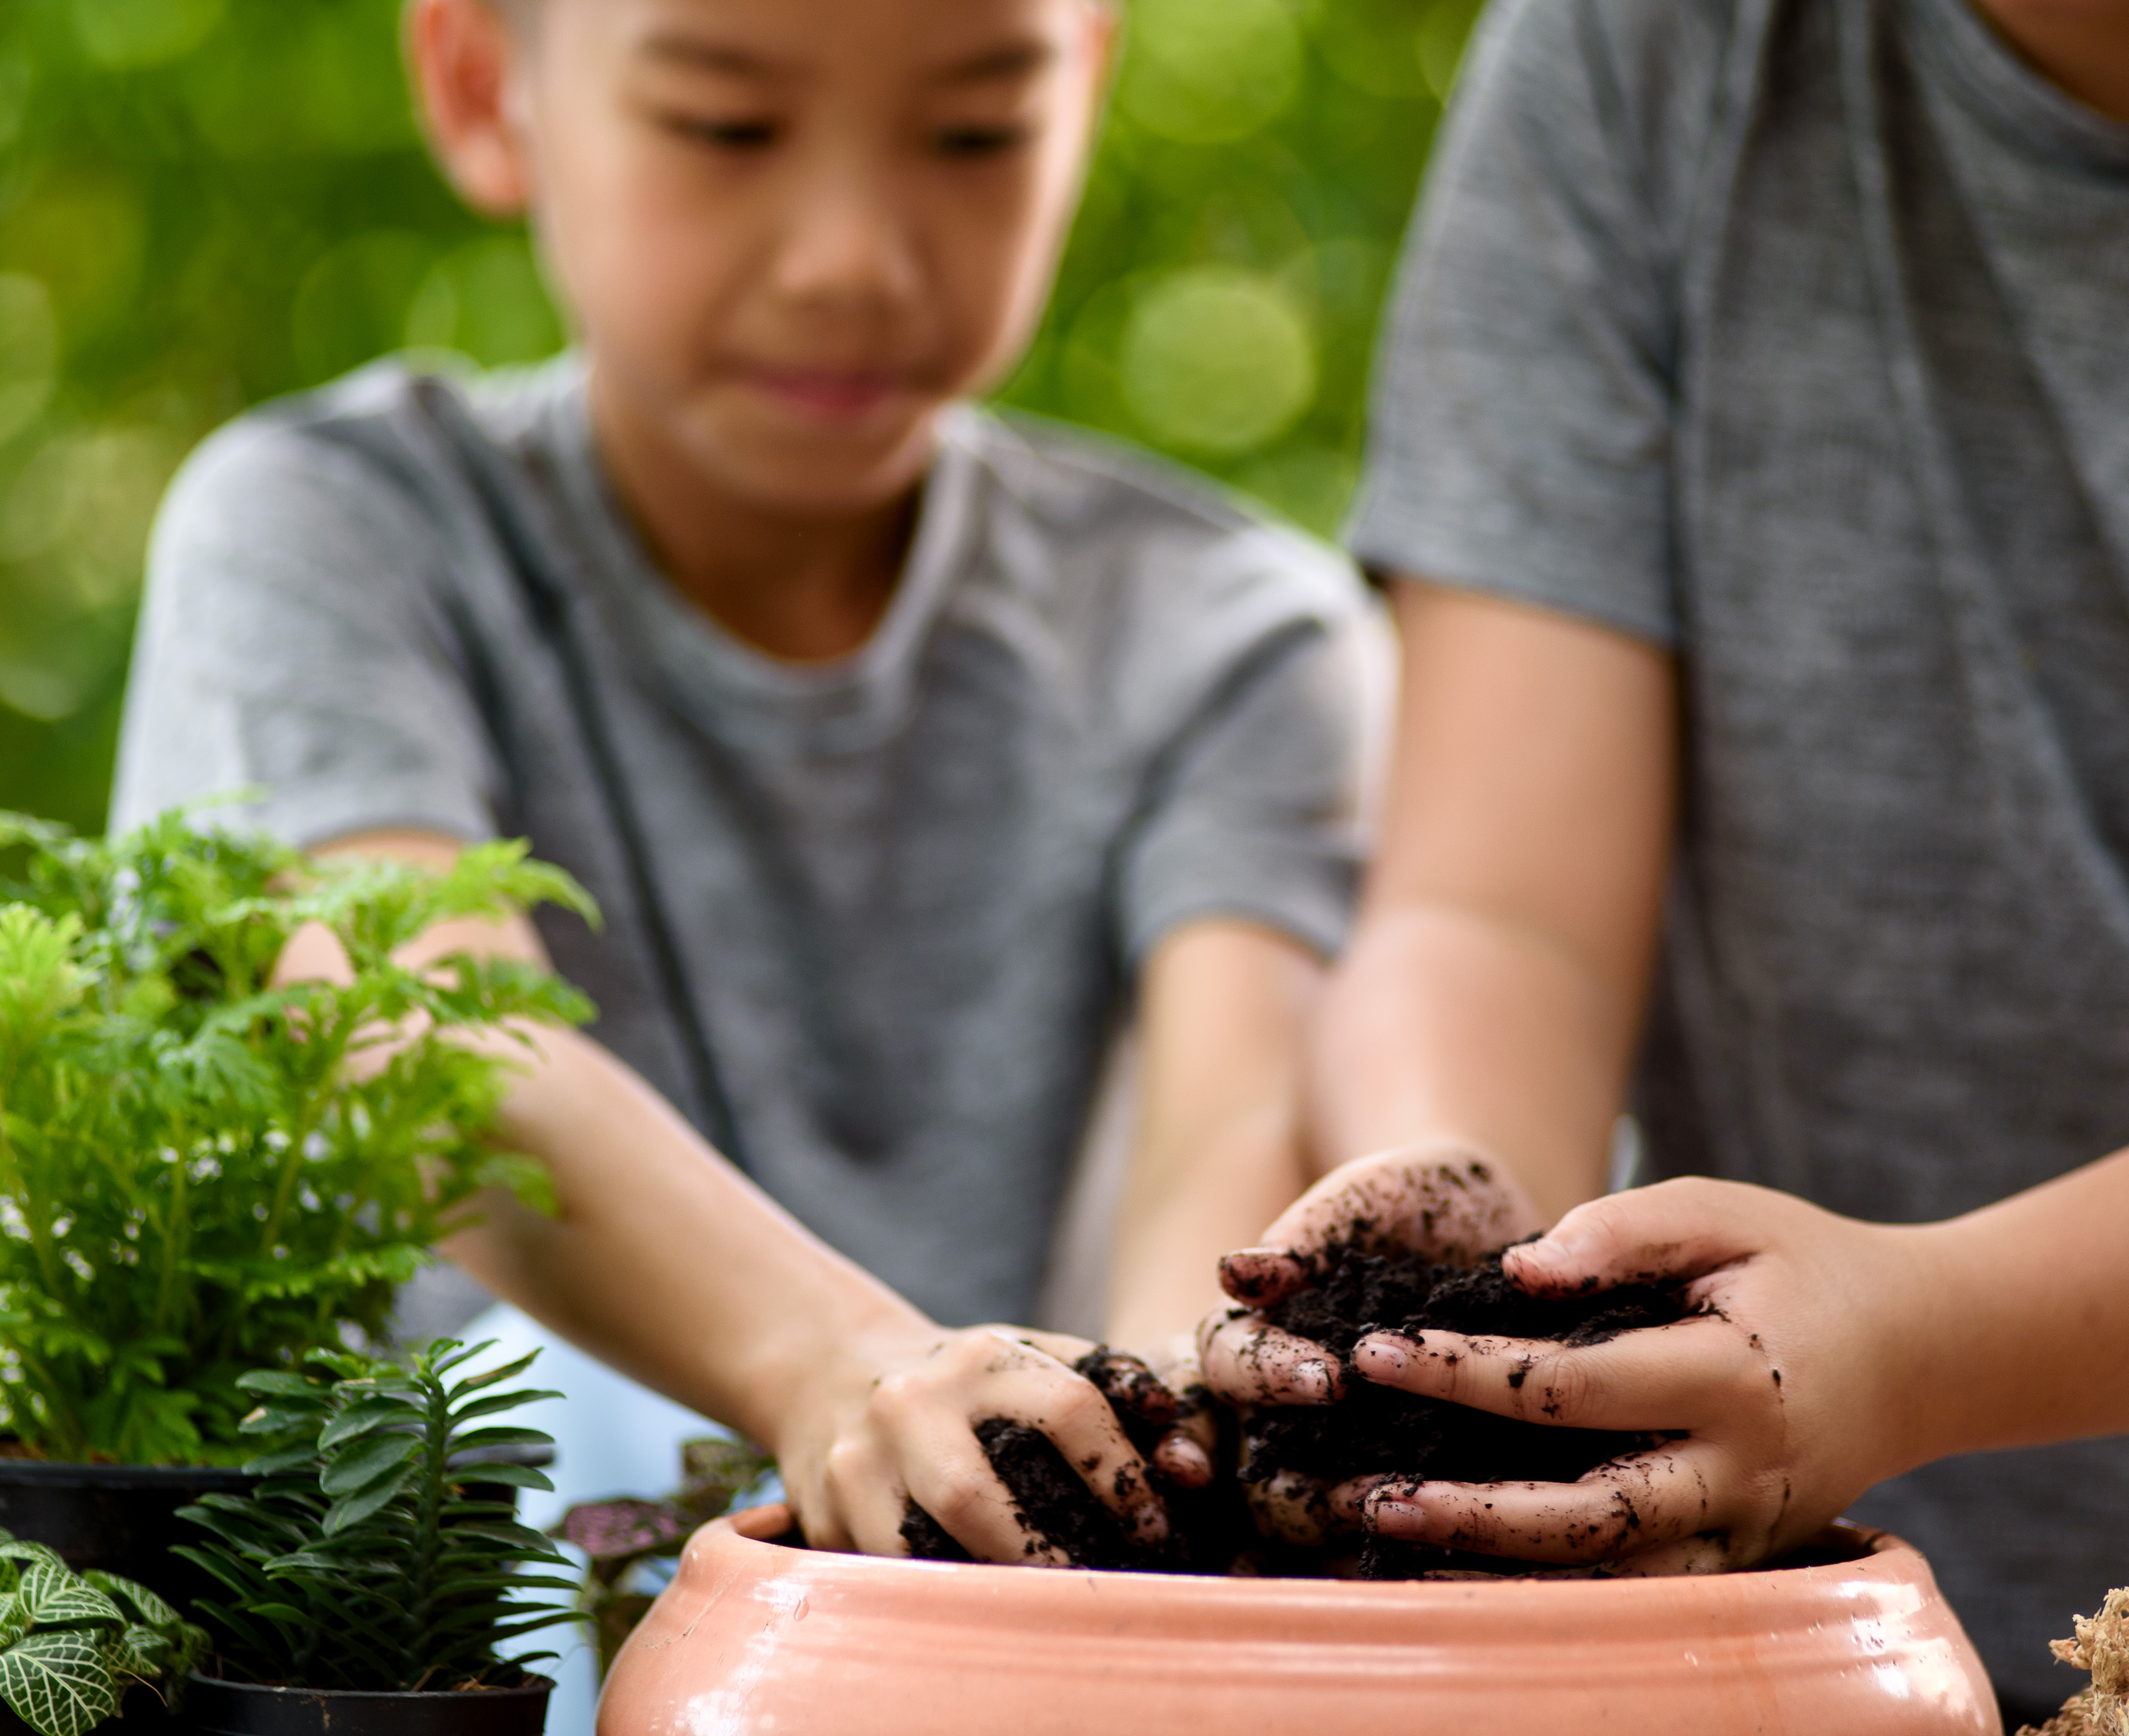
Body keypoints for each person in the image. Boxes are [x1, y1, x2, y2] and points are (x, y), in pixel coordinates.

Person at [1195, 0, 2129, 1718]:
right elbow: (1492, 909)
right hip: (1793, 1651)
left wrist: (1922, 1330)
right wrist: (1473, 1258)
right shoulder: (1647, 58)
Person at [112, 0, 1386, 1565]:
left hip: (985, 1641)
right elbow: (424, 1043)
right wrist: (833, 1367)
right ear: (477, 83)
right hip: (432, 1648)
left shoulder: (1235, 640)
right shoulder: (336, 533)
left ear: (1087, 88)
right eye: (726, 126)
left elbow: (1231, 1161)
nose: (850, 260)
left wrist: (1144, 1480)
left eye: (974, 133)